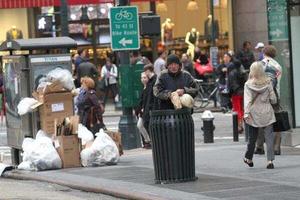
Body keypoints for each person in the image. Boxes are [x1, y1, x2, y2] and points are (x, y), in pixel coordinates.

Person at [243, 61, 277, 169]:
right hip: (267, 112)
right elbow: (274, 99)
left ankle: (248, 158)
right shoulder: (268, 82)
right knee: (269, 138)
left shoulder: (248, 84)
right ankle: (270, 161)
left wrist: (246, 113)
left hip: (253, 114)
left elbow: (247, 101)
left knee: (252, 138)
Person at [255, 45, 283, 155]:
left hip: (260, 95)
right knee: (276, 120)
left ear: (264, 53)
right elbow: (278, 83)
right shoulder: (278, 66)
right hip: (274, 95)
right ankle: (276, 147)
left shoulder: (258, 65)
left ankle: (260, 146)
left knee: (260, 120)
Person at [228, 59, 247, 133]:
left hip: (236, 94)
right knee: (242, 109)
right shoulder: (243, 73)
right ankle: (243, 124)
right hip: (244, 93)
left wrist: (229, 95)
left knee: (237, 109)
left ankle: (239, 125)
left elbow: (231, 85)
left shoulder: (232, 73)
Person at [135, 72, 151, 148]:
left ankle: (148, 141)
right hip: (142, 111)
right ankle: (147, 140)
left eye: (145, 77)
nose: (143, 79)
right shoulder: (144, 87)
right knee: (140, 125)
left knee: (140, 125)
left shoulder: (148, 88)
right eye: (142, 78)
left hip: (146, 111)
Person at [143, 64, 157, 134]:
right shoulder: (150, 81)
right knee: (146, 123)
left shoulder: (154, 80)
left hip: (151, 106)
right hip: (149, 105)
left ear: (148, 71)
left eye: (146, 72)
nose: (145, 74)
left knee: (148, 123)